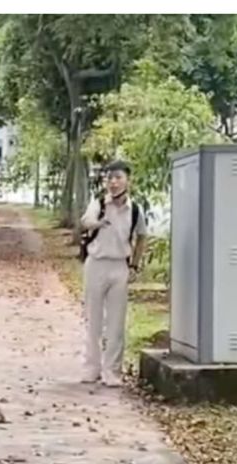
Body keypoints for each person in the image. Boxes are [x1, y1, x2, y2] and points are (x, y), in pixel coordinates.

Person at [79, 160, 147, 386]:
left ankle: (112, 371)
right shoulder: (99, 203)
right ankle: (91, 368)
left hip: (120, 267)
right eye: (110, 178)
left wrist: (135, 265)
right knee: (93, 318)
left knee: (116, 322)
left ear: (128, 180)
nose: (114, 182)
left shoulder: (135, 209)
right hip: (96, 264)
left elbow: (142, 237)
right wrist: (97, 224)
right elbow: (85, 221)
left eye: (118, 177)